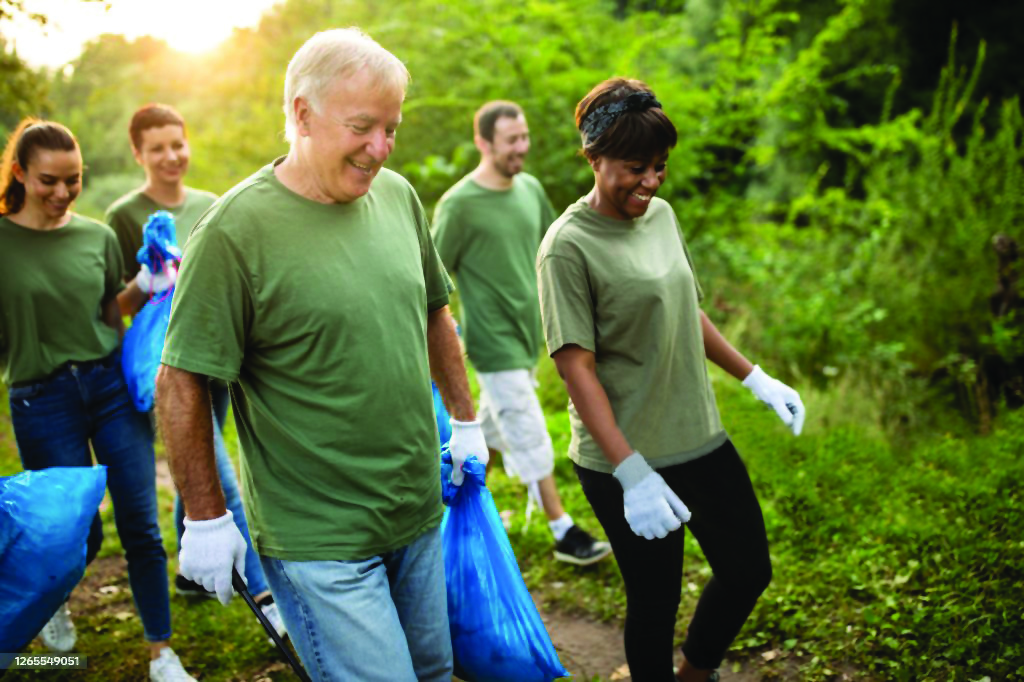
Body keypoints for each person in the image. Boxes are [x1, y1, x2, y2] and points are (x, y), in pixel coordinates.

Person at [155, 28, 487, 682]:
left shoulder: (398, 197)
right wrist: (205, 518)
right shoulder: (234, 231)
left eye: (392, 128)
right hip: (319, 539)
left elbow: (434, 312)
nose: (380, 148)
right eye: (363, 126)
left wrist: (467, 420)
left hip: (415, 507)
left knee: (434, 674)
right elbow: (181, 381)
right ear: (302, 114)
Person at [537, 79, 807, 682]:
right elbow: (575, 368)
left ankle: (695, 672)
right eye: (636, 167)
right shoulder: (567, 246)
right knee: (655, 600)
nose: (651, 182)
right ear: (594, 156)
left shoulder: (660, 216)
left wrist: (755, 377)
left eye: (659, 167)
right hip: (625, 457)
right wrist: (632, 473)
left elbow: (689, 310)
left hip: (698, 434)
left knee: (747, 569)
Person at [0, 119, 196, 681]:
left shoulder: (95, 236)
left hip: (108, 389)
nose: (62, 193)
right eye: (48, 181)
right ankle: (53, 605)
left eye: (73, 180)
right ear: (20, 173)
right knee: (72, 533)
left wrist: (152, 280)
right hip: (43, 398)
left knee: (140, 524)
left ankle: (162, 653)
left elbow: (112, 311)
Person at [104, 104, 281, 635]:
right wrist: (147, 281)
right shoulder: (123, 214)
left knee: (201, 454)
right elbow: (114, 307)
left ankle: (192, 574)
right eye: (156, 148)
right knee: (221, 473)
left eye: (177, 144)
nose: (170, 156)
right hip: (169, 361)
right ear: (138, 153)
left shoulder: (210, 203)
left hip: (218, 350)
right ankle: (266, 592)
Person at [432, 100, 611, 566]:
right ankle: (562, 529)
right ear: (484, 143)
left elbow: (559, 244)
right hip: (492, 341)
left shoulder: (530, 190)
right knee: (529, 428)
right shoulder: (460, 204)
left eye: (524, 137)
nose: (522, 148)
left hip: (530, 334)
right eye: (512, 140)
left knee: (491, 427)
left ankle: (456, 507)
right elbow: (432, 276)